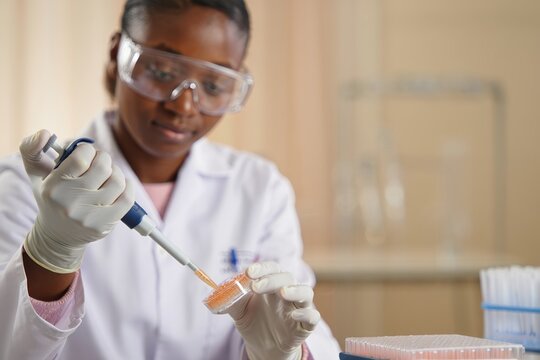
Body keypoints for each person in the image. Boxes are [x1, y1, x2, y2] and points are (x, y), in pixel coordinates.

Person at [0, 0, 341, 359]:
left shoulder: (259, 188)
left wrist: (280, 354)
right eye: (162, 72)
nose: (184, 107)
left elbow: (311, 336)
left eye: (213, 84)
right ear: (118, 55)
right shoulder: (29, 184)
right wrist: (52, 252)